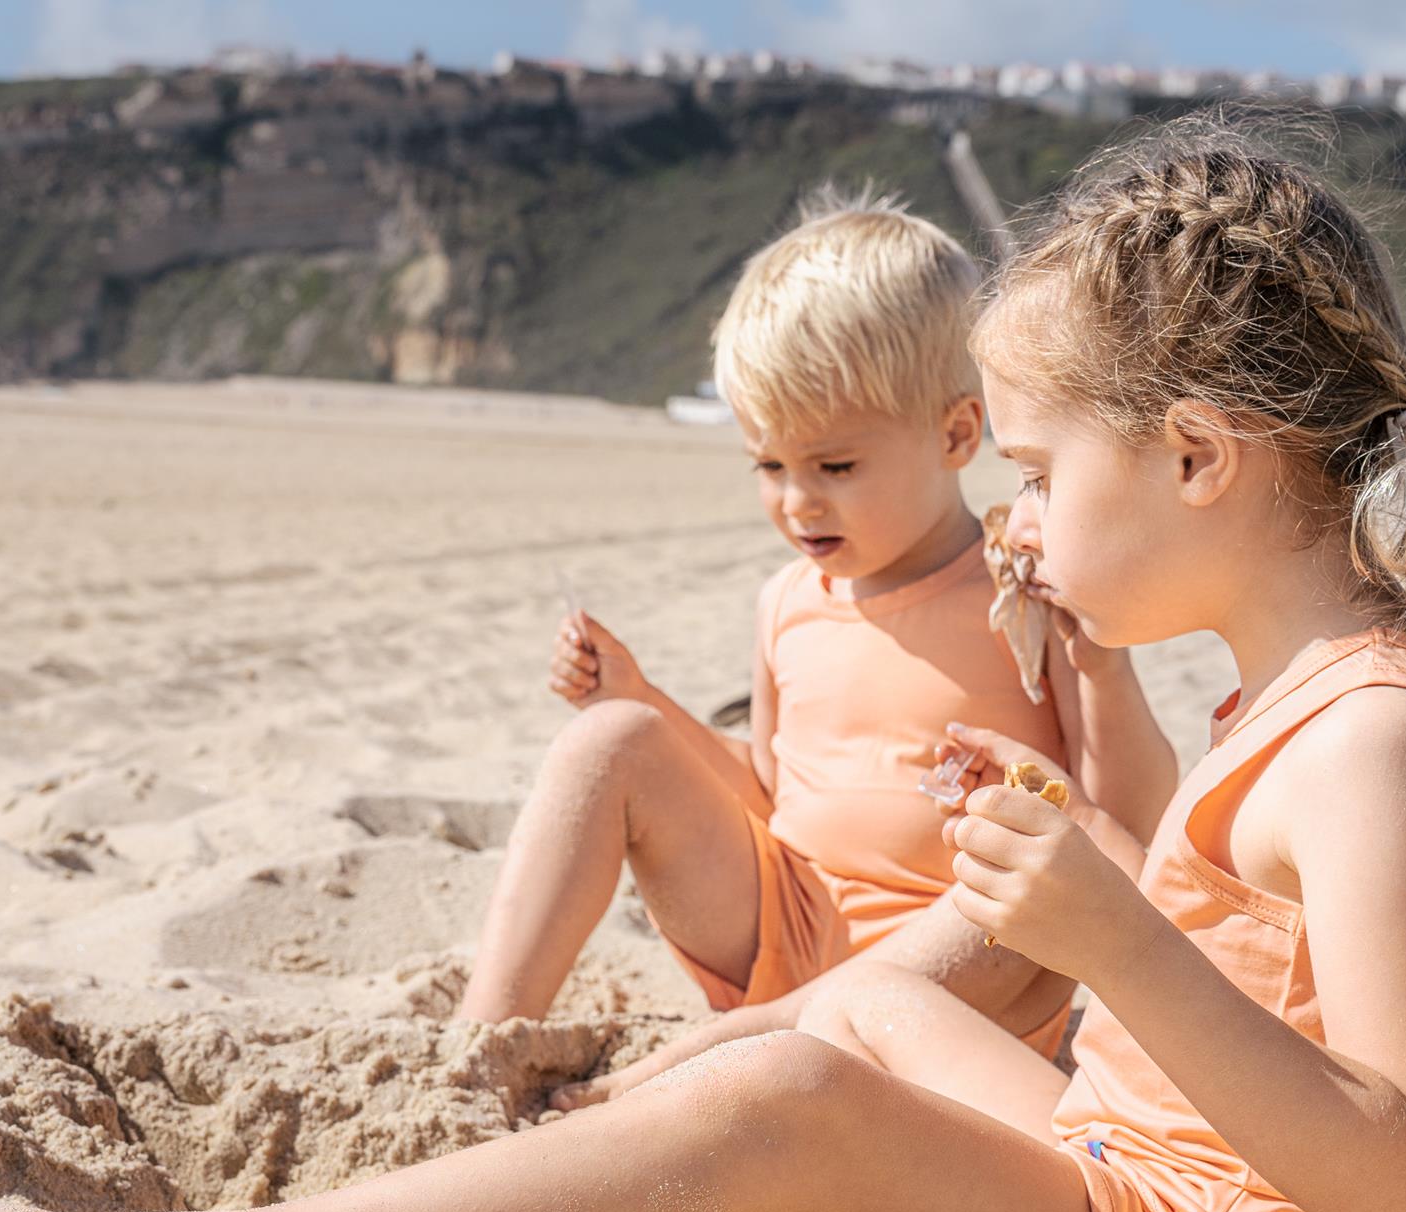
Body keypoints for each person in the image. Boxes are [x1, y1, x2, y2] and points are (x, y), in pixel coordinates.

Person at [0, 122, 1406, 1212]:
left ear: (1201, 460)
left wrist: (1114, 940)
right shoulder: (1314, 698)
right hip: (1154, 1182)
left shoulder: (1370, 747)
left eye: (1039, 473)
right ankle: (644, 1127)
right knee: (860, 1017)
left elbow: (1403, 1185)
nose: (1019, 517)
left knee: (789, 1108)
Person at [453, 188, 1167, 1091]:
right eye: (770, 465)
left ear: (955, 434)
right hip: (784, 932)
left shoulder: (1021, 590)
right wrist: (639, 699)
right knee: (610, 740)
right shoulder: (787, 600)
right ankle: (478, 1040)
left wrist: (1099, 664)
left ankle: (746, 1046)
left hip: (956, 973)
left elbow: (1124, 820)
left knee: (1022, 868)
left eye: (835, 466)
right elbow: (765, 790)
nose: (798, 502)